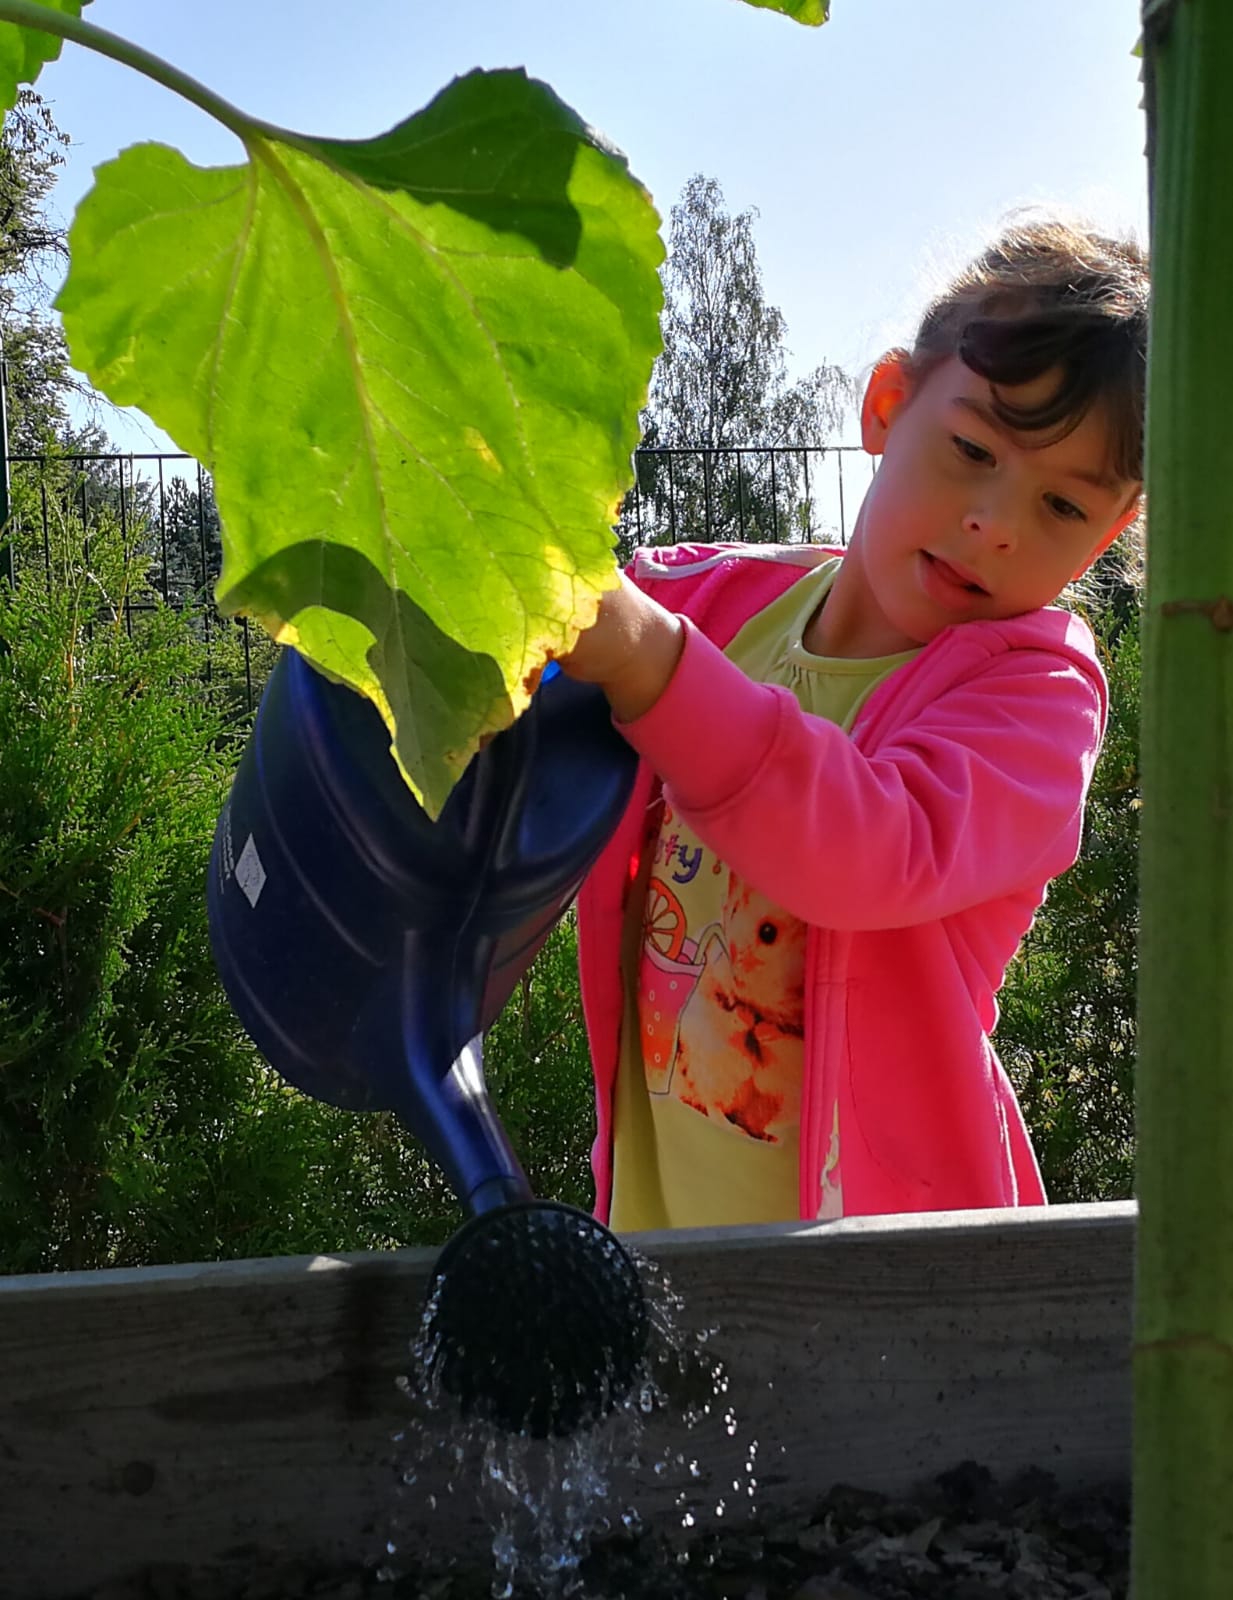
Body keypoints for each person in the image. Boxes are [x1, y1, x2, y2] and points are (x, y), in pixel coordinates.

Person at [560, 217, 1147, 1231]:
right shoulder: (718, 607)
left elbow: (875, 847)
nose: (998, 523)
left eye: (1061, 509)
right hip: (660, 1253)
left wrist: (639, 659)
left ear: (1113, 530)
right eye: (972, 449)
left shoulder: (1037, 701)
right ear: (888, 406)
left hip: (889, 1295)